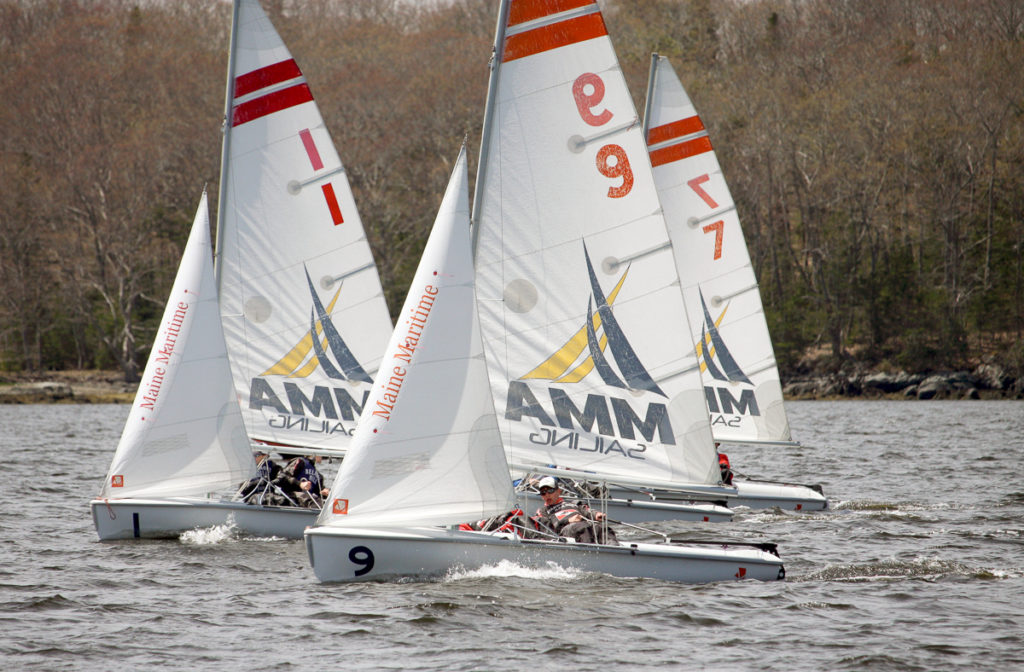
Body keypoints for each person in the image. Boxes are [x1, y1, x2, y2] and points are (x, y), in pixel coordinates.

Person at [531, 476, 618, 545]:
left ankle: (615, 553)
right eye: (543, 492)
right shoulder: (543, 511)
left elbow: (586, 511)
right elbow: (548, 528)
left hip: (584, 524)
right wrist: (568, 520)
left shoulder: (573, 503)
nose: (547, 495)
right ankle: (591, 555)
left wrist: (596, 514)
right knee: (581, 528)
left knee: (601, 528)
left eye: (550, 490)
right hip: (566, 530)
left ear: (558, 491)